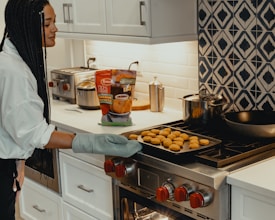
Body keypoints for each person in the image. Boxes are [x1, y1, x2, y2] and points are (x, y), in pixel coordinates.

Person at [0, 0, 142, 219]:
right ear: (26, 25)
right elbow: (33, 133)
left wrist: (18, 163)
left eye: (54, 22)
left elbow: (11, 123)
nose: (55, 29)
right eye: (47, 24)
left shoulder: (8, 60)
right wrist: (91, 142)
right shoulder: (14, 71)